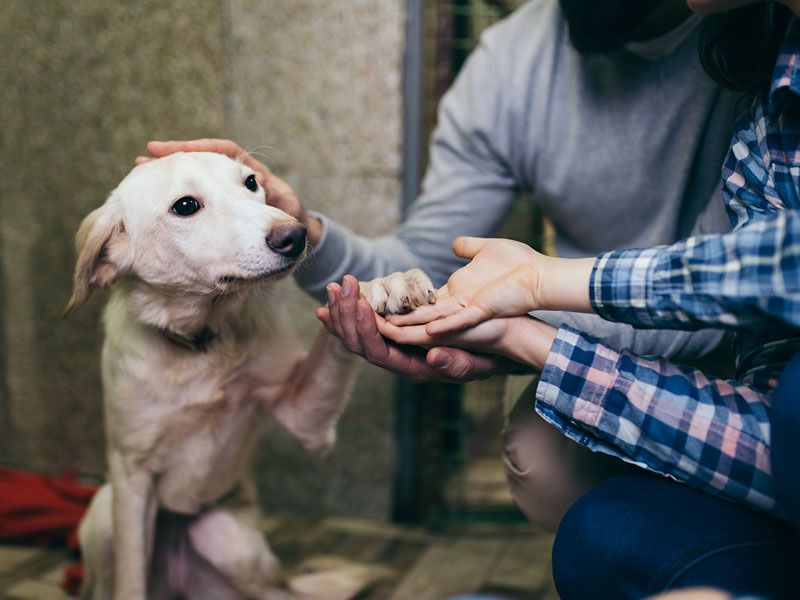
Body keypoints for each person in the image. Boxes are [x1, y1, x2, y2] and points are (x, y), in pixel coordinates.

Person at [142, 0, 743, 531]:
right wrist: (304, 233)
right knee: (544, 466)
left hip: (749, 336)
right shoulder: (513, 60)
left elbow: (740, 291)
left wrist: (518, 331)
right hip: (602, 328)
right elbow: (420, 258)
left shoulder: (757, 42)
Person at [371, 0, 800, 596]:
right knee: (593, 533)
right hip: (736, 395)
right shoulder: (767, 103)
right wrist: (520, 336)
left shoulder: (736, 61)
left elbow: (772, 267)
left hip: (698, 344)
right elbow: (780, 448)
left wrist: (543, 286)